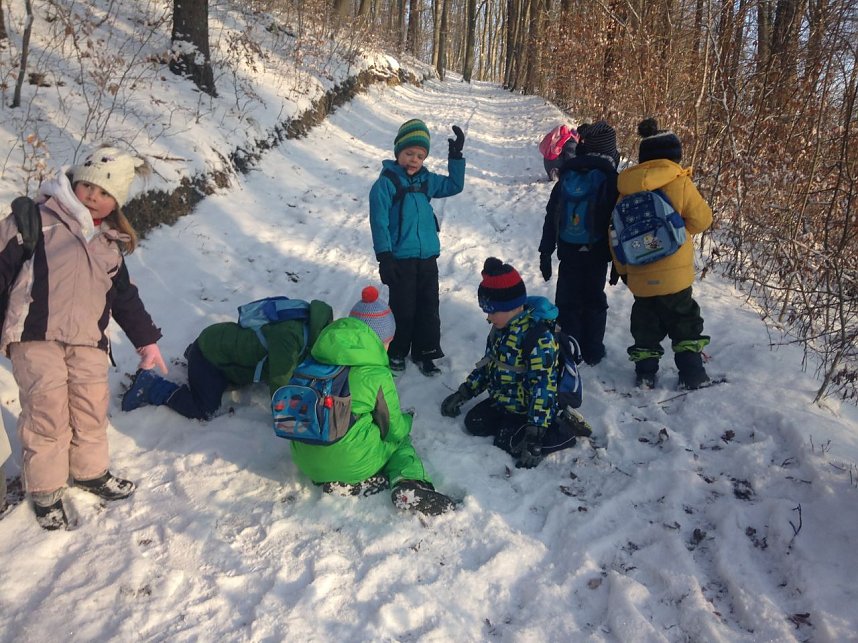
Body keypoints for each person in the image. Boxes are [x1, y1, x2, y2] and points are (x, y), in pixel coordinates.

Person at [0, 146, 166, 530]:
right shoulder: (33, 221)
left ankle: (90, 472)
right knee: (47, 411)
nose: (94, 195)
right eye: (88, 184)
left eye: (105, 192)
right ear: (74, 180)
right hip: (35, 335)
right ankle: (45, 488)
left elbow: (124, 298)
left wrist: (147, 340)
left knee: (91, 407)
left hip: (88, 340)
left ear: (115, 203)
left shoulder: (109, 243)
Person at [290, 286, 456, 517]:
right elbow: (393, 429)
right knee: (400, 442)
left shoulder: (314, 359)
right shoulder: (374, 374)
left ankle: (332, 477)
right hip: (350, 461)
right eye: (387, 342)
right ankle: (409, 482)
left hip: (304, 460)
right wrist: (407, 421)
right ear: (379, 340)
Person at [440, 258, 583, 469]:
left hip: (529, 409)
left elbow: (543, 388)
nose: (488, 318)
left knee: (507, 442)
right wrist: (464, 393)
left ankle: (559, 432)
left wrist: (535, 434)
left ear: (512, 307)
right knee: (474, 423)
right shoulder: (500, 330)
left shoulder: (537, 338)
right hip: (504, 401)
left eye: (491, 311)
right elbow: (488, 366)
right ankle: (511, 427)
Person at [612, 118, 714, 389]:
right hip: (675, 276)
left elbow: (615, 233)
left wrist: (623, 269)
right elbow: (702, 220)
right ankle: (692, 374)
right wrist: (681, 233)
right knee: (684, 321)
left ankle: (645, 374)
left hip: (639, 274)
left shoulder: (625, 188)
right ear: (674, 156)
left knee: (645, 324)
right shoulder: (679, 182)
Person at [121, 299, 334, 419]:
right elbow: (280, 383)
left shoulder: (312, 325)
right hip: (210, 357)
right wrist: (296, 418)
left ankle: (197, 360)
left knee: (238, 380)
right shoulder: (290, 337)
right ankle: (150, 386)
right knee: (204, 410)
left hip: (221, 344)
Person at [369, 119, 466, 376]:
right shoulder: (386, 183)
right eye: (409, 153)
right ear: (398, 152)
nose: (414, 160)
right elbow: (378, 221)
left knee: (428, 307)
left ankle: (426, 351)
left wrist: (455, 157)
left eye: (420, 156)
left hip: (428, 257)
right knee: (403, 308)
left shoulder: (426, 180)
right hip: (400, 258)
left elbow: (455, 186)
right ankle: (397, 351)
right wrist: (384, 257)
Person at [538, 120, 620, 366]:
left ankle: (568, 347)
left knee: (567, 299)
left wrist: (546, 252)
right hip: (597, 252)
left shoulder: (567, 175)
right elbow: (618, 223)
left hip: (568, 249)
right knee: (594, 298)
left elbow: (552, 215)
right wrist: (618, 263)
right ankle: (593, 350)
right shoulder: (612, 179)